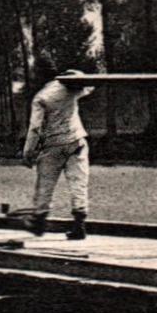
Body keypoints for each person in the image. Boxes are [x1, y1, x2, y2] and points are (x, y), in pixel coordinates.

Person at [22, 63, 96, 240]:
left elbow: (35, 129)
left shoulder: (41, 98)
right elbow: (90, 86)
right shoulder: (72, 88)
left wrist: (28, 151)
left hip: (53, 146)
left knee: (45, 184)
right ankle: (79, 225)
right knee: (79, 183)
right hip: (76, 141)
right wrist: (80, 75)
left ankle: (39, 222)